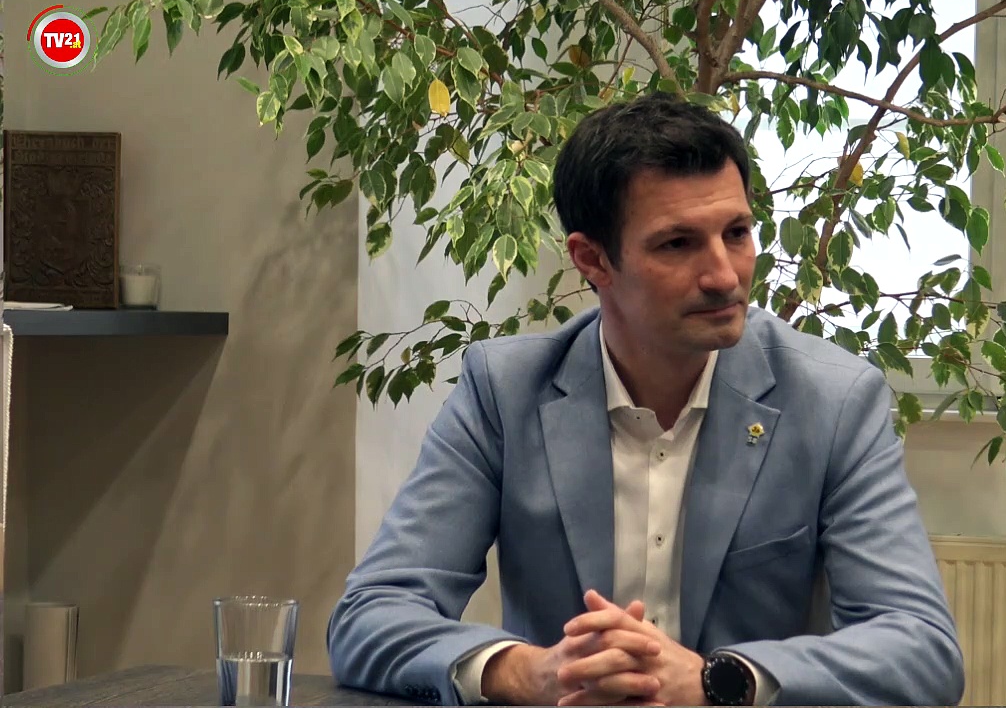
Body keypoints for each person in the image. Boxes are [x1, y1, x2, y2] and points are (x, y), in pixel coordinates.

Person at [326, 92, 965, 707]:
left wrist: (721, 681)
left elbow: (921, 648)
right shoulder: (505, 391)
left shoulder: (832, 400)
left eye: (737, 232)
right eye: (677, 244)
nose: (723, 275)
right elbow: (370, 616)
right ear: (593, 260)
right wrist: (531, 673)